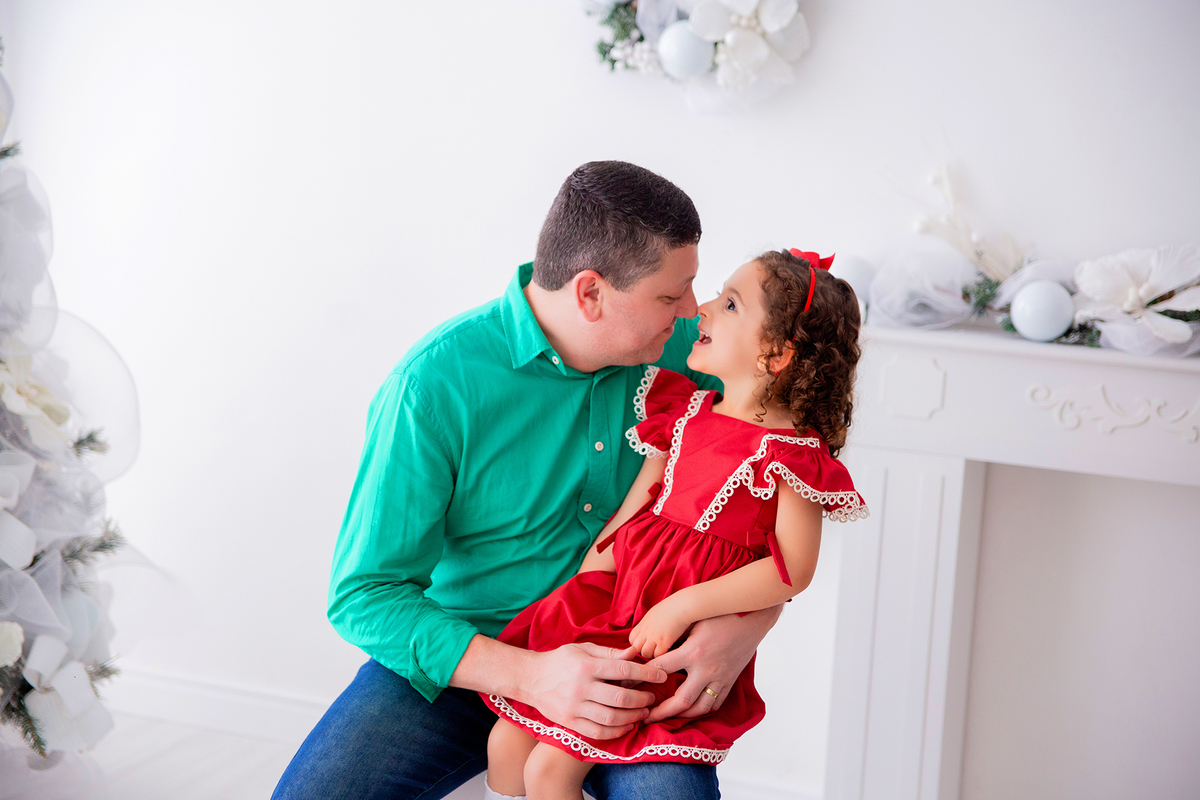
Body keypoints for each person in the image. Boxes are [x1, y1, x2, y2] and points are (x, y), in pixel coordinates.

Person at [272, 161, 784, 800]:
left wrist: (748, 623)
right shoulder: (433, 386)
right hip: (468, 657)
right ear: (590, 292)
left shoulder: (699, 356)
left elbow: (789, 479)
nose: (691, 310)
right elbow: (364, 594)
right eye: (669, 295)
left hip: (629, 671)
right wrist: (532, 676)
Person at [481, 249, 869, 800]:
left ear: (776, 354)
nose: (703, 309)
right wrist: (590, 576)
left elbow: (793, 570)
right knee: (505, 742)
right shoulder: (683, 412)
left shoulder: (792, 455)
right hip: (612, 604)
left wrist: (680, 607)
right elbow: (635, 512)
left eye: (730, 304)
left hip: (671, 637)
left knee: (550, 770)